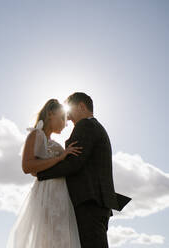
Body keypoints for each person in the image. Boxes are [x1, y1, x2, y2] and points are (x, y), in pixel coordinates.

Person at [36, 92, 131, 248]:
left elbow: (74, 163)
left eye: (70, 111)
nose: (68, 117)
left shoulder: (85, 125)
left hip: (88, 201)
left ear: (81, 106)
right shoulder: (97, 127)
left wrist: (41, 173)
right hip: (98, 203)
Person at [6, 98, 83, 248]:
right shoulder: (36, 135)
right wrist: (61, 157)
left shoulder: (56, 144)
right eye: (62, 118)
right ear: (49, 114)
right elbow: (28, 167)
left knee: (61, 238)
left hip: (62, 194)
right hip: (46, 193)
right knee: (47, 237)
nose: (65, 123)